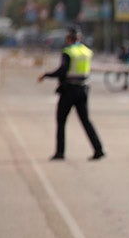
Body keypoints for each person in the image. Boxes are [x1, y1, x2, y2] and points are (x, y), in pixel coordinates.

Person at [37, 27, 105, 161]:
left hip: (69, 90)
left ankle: (60, 152)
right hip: (83, 89)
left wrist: (46, 75)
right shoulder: (86, 51)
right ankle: (98, 149)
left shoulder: (68, 52)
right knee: (86, 121)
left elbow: (62, 71)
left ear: (69, 39)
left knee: (61, 121)